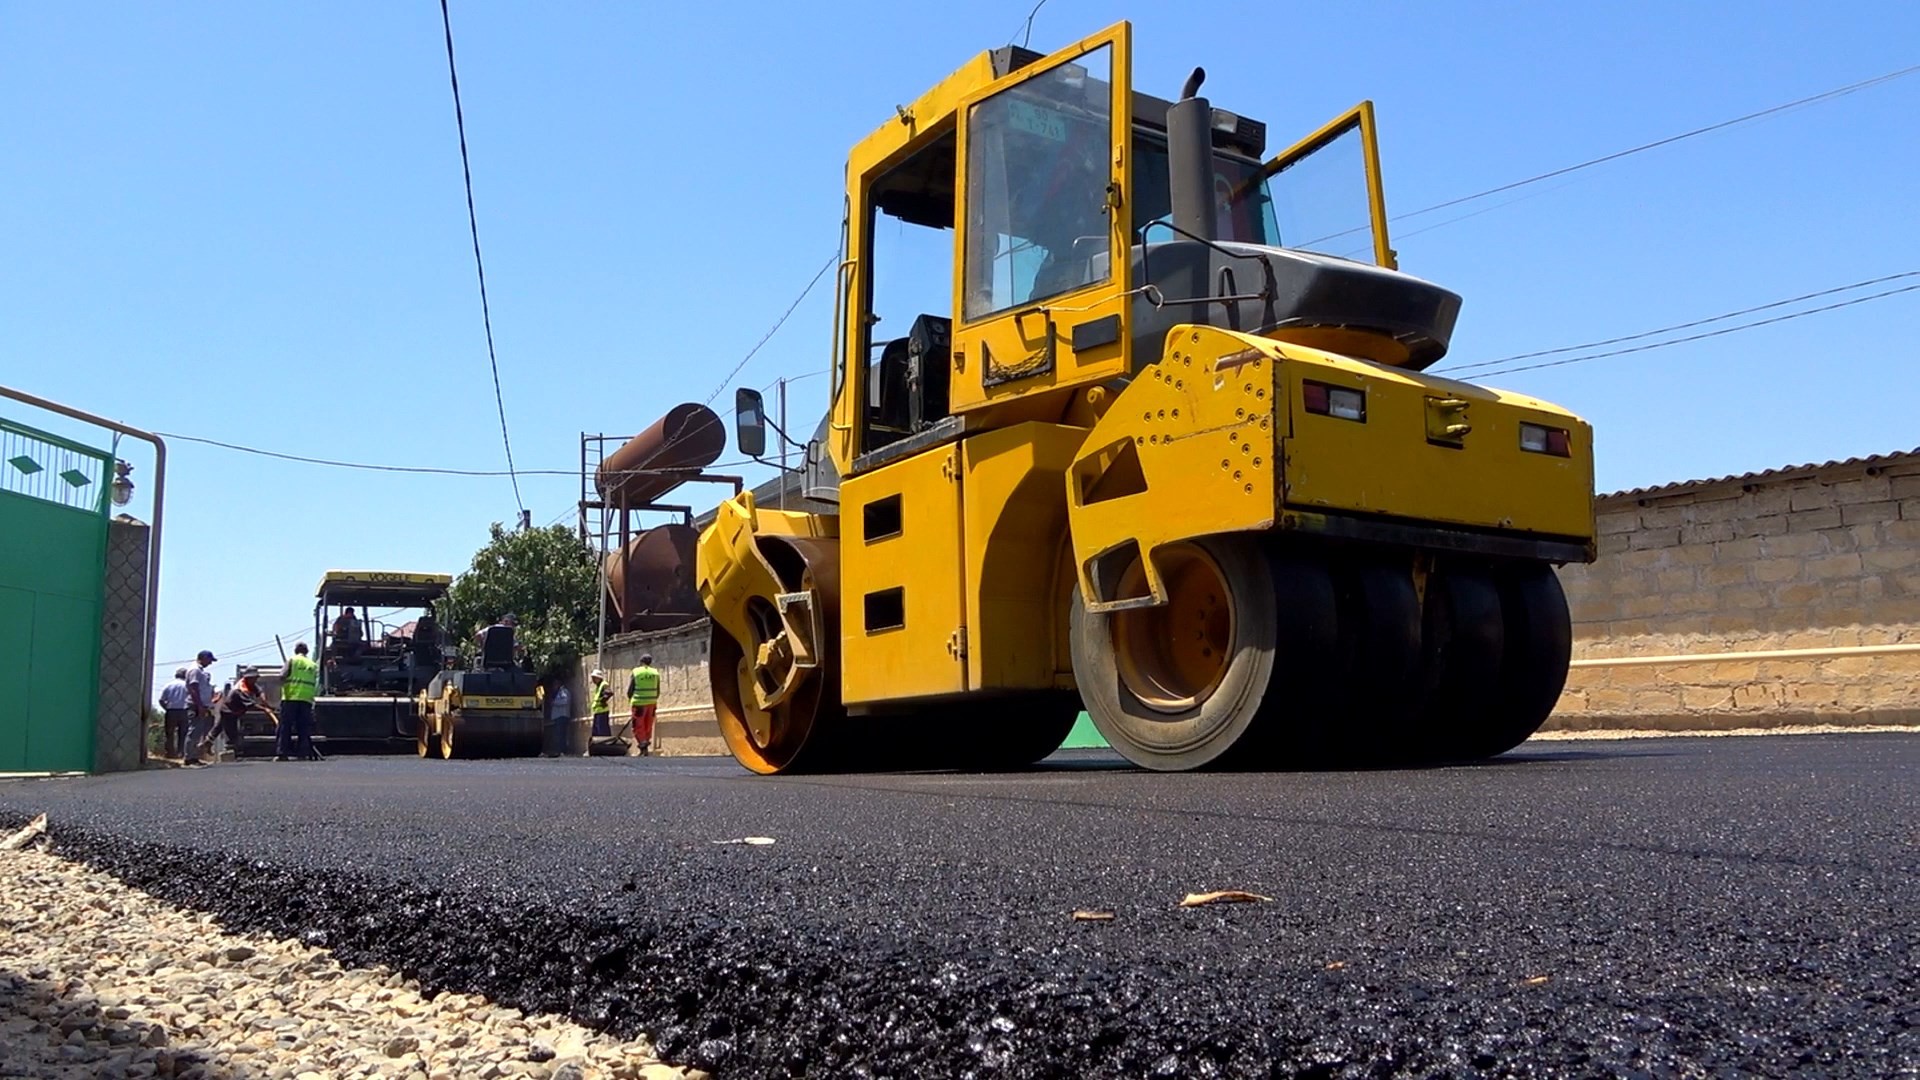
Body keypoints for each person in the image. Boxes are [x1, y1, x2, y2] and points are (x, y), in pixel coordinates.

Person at [204, 669, 273, 760]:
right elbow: (250, 704)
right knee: (231, 732)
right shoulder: (240, 689)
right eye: (254, 678)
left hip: (235, 710)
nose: (256, 680)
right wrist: (265, 709)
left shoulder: (250, 683)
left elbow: (259, 691)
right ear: (248, 678)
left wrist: (265, 701)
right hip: (229, 711)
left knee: (218, 727)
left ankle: (206, 743)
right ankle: (230, 752)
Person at [277, 642, 320, 761]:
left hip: (291, 698)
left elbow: (282, 676)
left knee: (286, 727)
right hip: (306, 699)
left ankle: (283, 753)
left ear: (296, 650)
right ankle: (303, 753)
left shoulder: (292, 660)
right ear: (307, 651)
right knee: (303, 727)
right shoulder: (312, 664)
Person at [181, 650, 218, 767]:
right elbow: (193, 688)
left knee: (198, 732)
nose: (210, 663)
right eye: (209, 660)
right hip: (196, 705)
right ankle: (189, 759)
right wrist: (200, 705)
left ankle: (194, 757)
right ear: (204, 658)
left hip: (201, 705)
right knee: (194, 731)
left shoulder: (200, 671)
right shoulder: (195, 670)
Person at [628, 653, 661, 756]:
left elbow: (630, 689)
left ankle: (643, 745)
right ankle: (645, 744)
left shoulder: (636, 672)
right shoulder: (655, 673)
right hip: (652, 702)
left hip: (639, 703)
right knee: (648, 724)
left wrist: (631, 699)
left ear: (641, 662)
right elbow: (658, 689)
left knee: (638, 725)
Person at [158, 667, 191, 758]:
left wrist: (166, 708)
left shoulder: (168, 685)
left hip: (171, 711)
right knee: (183, 733)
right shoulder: (187, 685)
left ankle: (170, 753)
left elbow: (161, 700)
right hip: (184, 711)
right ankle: (181, 752)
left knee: (169, 733)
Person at [588, 669, 612, 737]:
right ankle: (599, 746)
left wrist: (603, 701)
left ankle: (605, 746)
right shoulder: (598, 686)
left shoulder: (604, 684)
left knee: (602, 732)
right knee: (596, 733)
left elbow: (609, 693)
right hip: (598, 712)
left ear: (598, 678)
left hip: (602, 711)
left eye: (594, 678)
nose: (593, 680)